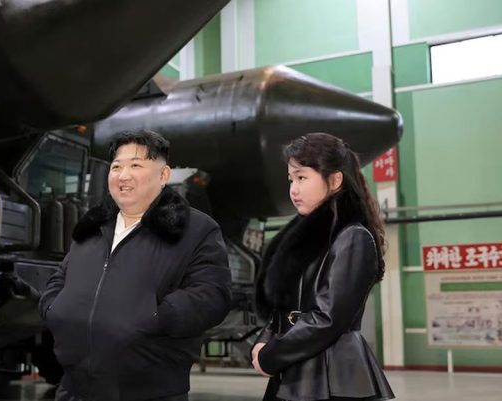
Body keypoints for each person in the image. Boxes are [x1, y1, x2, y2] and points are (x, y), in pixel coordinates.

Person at [38, 129, 232, 401]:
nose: (123, 175)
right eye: (116, 166)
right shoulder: (92, 228)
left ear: (163, 176)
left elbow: (213, 295)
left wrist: (153, 317)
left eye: (136, 165)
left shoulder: (196, 229)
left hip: (151, 392)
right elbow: (60, 277)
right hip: (75, 389)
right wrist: (54, 307)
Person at [251, 133, 394, 401]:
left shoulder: (352, 237)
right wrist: (265, 338)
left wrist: (272, 355)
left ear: (335, 179)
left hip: (333, 376)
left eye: (302, 177)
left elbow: (329, 317)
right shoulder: (303, 238)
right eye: (291, 179)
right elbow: (285, 304)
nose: (293, 189)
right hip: (294, 369)